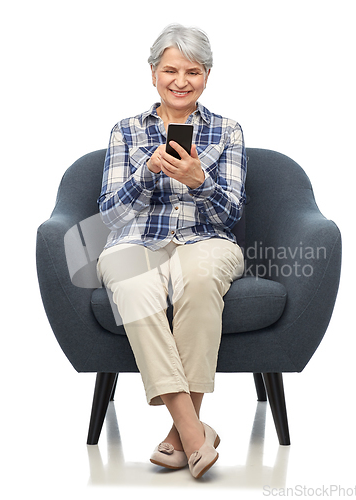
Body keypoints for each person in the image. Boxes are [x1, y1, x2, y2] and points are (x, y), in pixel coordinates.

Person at [97, 23, 247, 479]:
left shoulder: (228, 131)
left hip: (207, 241)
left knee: (199, 280)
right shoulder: (126, 131)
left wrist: (202, 182)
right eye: (171, 70)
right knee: (134, 283)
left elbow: (233, 214)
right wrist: (145, 174)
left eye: (193, 72)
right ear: (153, 73)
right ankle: (194, 431)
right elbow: (107, 216)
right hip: (135, 243)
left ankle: (177, 436)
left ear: (207, 76)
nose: (181, 81)